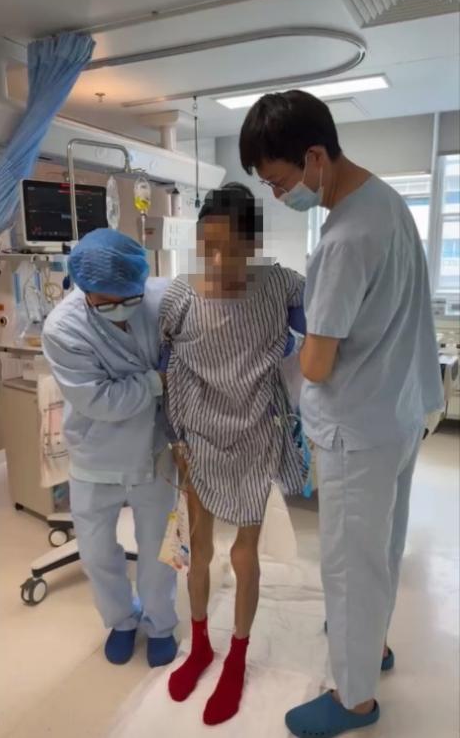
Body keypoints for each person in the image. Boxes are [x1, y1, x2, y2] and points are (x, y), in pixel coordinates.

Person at [239, 91, 444, 737]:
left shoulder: (344, 237)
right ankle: (371, 642)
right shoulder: (388, 203)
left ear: (314, 157)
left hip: (357, 426)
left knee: (350, 562)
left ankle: (354, 698)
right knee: (380, 544)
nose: (279, 196)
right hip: (400, 411)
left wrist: (285, 350)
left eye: (279, 182)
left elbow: (320, 364)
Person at [160, 184, 307, 726]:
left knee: (245, 556)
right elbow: (165, 369)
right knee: (198, 550)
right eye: (208, 247)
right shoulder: (181, 295)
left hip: (253, 435)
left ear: (255, 245)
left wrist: (296, 344)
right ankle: (200, 644)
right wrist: (176, 440)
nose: (218, 261)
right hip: (198, 436)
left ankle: (237, 655)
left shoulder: (282, 286)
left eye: (231, 249)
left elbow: (322, 333)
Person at [42, 228, 178, 669]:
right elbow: (99, 400)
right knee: (97, 551)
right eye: (105, 302)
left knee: (161, 548)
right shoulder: (63, 328)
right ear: (84, 290)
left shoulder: (162, 298)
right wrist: (156, 381)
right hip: (96, 453)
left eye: (129, 297)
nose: (120, 307)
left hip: (155, 448)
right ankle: (120, 620)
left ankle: (161, 624)